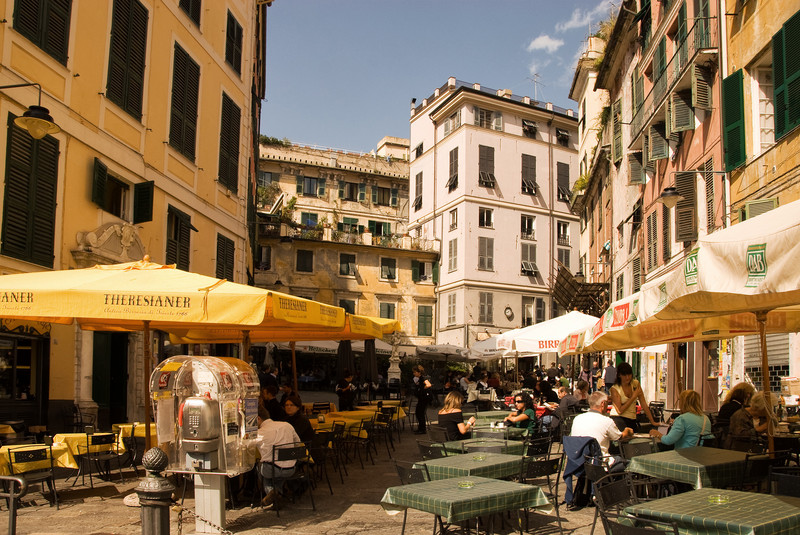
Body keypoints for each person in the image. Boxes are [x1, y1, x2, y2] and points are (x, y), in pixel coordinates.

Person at [571, 391, 633, 470]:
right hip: (599, 463)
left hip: (579, 462)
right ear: (603, 404)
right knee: (630, 463)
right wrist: (627, 431)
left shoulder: (577, 419)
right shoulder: (606, 421)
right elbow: (620, 438)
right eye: (608, 402)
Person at [256, 405, 301, 508]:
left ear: (258, 419)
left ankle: (272, 492)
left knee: (260, 467)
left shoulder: (260, 433)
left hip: (271, 469)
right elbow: (298, 443)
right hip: (291, 468)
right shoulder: (287, 425)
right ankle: (277, 494)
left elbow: (247, 445)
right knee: (277, 473)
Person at [609, 362, 658, 431]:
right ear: (619, 375)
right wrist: (633, 397)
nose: (627, 377)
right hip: (618, 418)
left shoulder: (635, 384)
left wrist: (652, 421)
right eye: (624, 375)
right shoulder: (615, 388)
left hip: (632, 419)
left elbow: (643, 403)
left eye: (629, 374)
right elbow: (620, 410)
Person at [412, 365, 433, 434]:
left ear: (419, 372)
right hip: (422, 398)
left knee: (420, 413)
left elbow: (428, 385)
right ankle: (421, 428)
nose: (414, 374)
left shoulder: (423, 378)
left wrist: (423, 388)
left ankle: (422, 429)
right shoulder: (420, 378)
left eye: (415, 372)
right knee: (419, 413)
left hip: (423, 399)